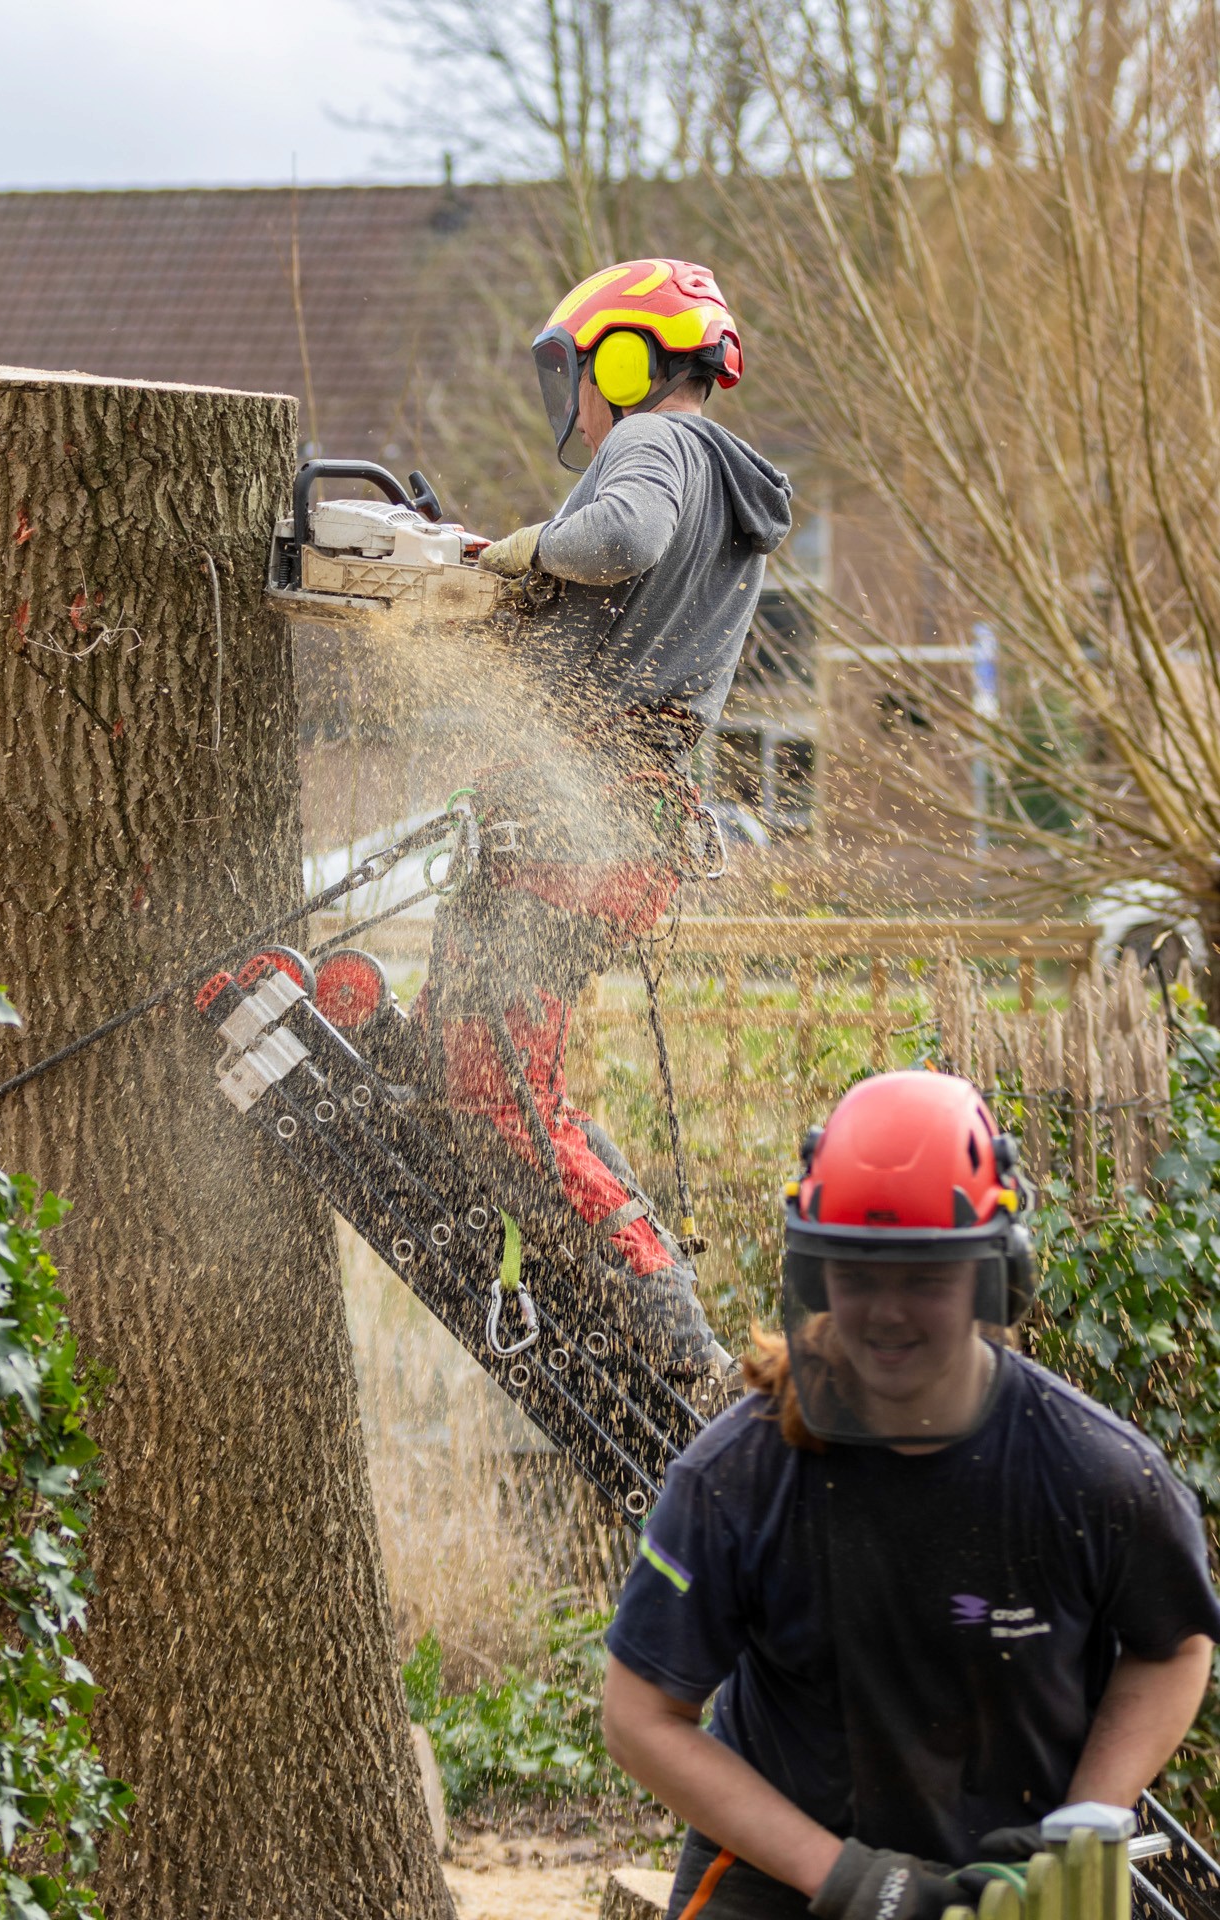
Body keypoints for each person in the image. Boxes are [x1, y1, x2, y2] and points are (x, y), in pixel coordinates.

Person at [602, 1069, 1220, 1920]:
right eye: (856, 1276)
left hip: (1008, 1882)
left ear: (996, 1275)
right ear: (815, 1274)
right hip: (781, 1879)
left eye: (923, 1278)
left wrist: (1086, 1818)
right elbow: (639, 1716)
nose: (885, 1312)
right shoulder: (737, 1479)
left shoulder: (1095, 1473)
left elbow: (1173, 1644)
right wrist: (849, 1880)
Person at [411, 257, 793, 1399]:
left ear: (629, 358)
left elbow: (617, 539)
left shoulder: (656, 445)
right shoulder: (724, 484)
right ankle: (636, 1301)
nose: (574, 398)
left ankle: (667, 1329)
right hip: (623, 831)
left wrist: (522, 548)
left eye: (581, 369)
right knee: (484, 1068)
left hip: (579, 830)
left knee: (494, 1089)